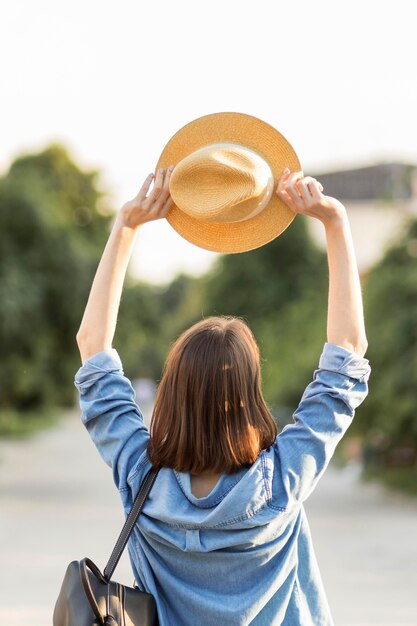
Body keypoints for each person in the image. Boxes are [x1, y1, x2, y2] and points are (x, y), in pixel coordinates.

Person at [75, 165, 371, 625]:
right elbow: (347, 353)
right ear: (249, 396)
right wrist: (335, 222)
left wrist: (126, 227)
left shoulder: (140, 476)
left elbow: (92, 346)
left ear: (171, 392)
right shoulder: (281, 481)